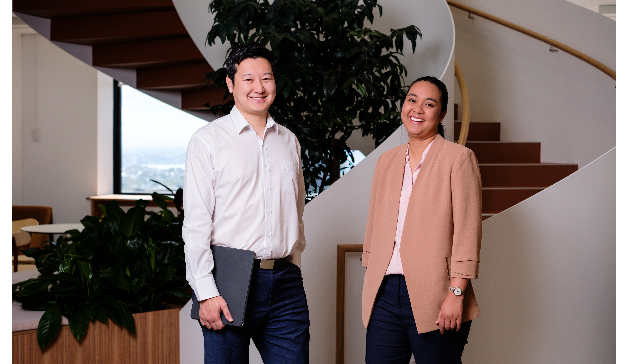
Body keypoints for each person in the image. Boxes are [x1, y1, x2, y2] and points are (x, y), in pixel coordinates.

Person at [183, 42, 309, 364]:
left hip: (285, 284)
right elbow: (196, 224)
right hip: (228, 282)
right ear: (230, 83)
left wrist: (292, 262)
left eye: (266, 78)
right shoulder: (207, 141)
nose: (259, 87)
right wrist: (206, 291)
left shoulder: (289, 141)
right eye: (248, 79)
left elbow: (296, 209)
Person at [361, 76, 482, 363]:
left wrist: (456, 293)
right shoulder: (386, 161)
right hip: (384, 293)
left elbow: (467, 231)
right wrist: (370, 272)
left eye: (429, 104)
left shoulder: (459, 158)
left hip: (437, 293)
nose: (417, 109)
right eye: (412, 100)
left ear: (441, 115)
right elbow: (374, 222)